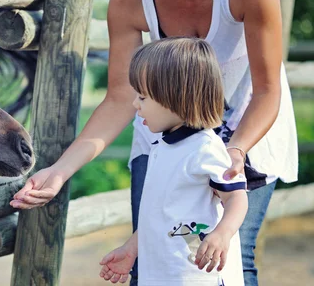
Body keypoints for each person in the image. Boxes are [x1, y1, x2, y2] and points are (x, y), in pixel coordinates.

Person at [10, 0, 298, 285]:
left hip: (247, 125)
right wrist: (60, 171)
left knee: (230, 254)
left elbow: (267, 92)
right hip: (164, 130)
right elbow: (120, 99)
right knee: (149, 255)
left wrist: (233, 153)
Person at [98, 37, 247, 286]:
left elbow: (236, 197)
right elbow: (159, 214)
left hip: (195, 277)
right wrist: (132, 248)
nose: (136, 105)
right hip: (160, 274)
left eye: (143, 98)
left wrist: (223, 234)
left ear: (176, 97)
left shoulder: (205, 148)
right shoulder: (162, 147)